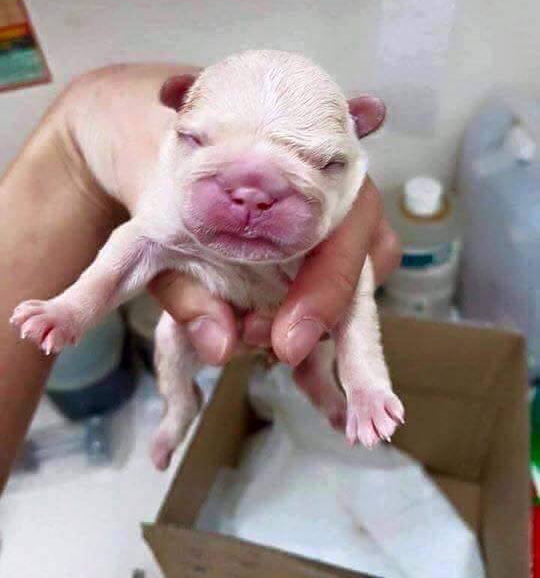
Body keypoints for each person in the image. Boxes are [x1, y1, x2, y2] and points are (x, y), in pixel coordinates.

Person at [0, 63, 401, 492]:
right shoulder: (165, 198)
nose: (250, 198)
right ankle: (180, 410)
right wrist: (73, 308)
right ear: (175, 124)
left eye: (322, 163)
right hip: (216, 299)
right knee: (171, 340)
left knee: (328, 320)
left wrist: (367, 383)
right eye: (198, 141)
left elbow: (352, 297)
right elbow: (134, 249)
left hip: (286, 307)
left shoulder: (334, 222)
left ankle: (322, 382)